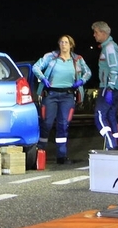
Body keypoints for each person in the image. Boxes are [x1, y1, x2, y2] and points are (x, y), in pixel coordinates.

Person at [32, 35, 92, 164]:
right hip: (51, 94)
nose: (63, 44)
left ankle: (61, 156)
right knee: (46, 124)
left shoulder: (77, 59)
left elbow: (88, 72)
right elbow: (36, 67)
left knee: (63, 125)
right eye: (61, 42)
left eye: (66, 42)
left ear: (71, 45)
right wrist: (43, 79)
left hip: (68, 95)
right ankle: (39, 153)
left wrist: (81, 81)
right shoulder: (51, 57)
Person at [91, 21, 118, 150]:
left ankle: (110, 142)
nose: (94, 35)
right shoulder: (113, 46)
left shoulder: (109, 48)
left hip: (109, 86)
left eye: (95, 32)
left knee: (100, 115)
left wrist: (110, 87)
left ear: (103, 32)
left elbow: (113, 68)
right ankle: (116, 142)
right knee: (111, 115)